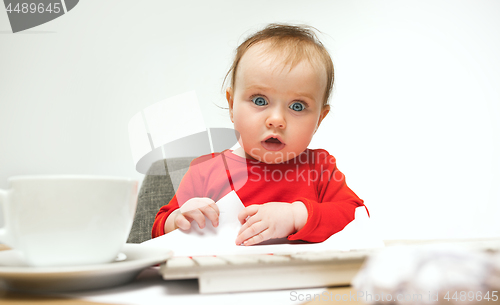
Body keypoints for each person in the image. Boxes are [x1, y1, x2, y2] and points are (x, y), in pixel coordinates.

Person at [152, 23, 367, 246]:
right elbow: (158, 230)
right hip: (225, 278)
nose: (277, 120)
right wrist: (178, 220)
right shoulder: (205, 171)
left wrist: (296, 215)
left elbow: (358, 218)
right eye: (260, 101)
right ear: (232, 105)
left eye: (297, 106)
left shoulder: (320, 169)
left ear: (319, 120)